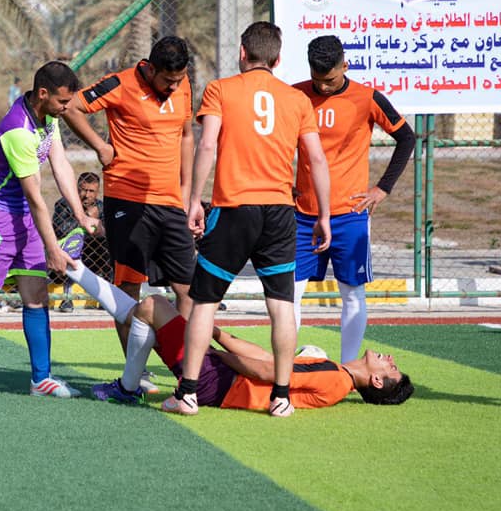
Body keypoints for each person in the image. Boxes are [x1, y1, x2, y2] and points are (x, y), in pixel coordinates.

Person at [165, 21, 332, 418]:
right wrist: (324, 215)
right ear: (277, 58)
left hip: (233, 209)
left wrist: (194, 200)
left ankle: (188, 394)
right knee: (281, 305)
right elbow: (316, 158)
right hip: (279, 213)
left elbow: (207, 144)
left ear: (242, 52)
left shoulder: (220, 89)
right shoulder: (297, 99)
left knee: (204, 303)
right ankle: (282, 397)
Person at [0, 61, 99, 401]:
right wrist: (53, 248)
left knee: (36, 295)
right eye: (62, 101)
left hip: (23, 215)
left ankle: (41, 380)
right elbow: (35, 197)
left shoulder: (48, 118)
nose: (67, 108)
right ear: (43, 94)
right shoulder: (18, 129)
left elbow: (61, 164)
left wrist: (80, 214)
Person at [61, 263, 413, 410]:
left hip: (219, 381)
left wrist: (214, 355)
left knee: (153, 306)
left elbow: (269, 371)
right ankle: (74, 267)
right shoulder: (335, 373)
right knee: (151, 310)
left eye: (392, 368)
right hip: (222, 379)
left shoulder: (334, 378)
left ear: (377, 381)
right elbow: (267, 357)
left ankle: (126, 388)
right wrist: (214, 333)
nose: (390, 359)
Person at [62, 36, 197, 392]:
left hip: (171, 203)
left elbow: (186, 135)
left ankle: (185, 367)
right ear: (150, 69)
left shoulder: (184, 85)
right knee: (128, 288)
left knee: (188, 289)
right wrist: (100, 146)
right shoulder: (119, 84)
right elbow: (72, 107)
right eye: (168, 80)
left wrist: (186, 191)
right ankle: (135, 375)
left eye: (179, 79)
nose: (174, 86)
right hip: (128, 201)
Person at [292, 35, 416, 363]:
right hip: (303, 215)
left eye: (330, 80)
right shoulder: (294, 96)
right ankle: (285, 369)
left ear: (345, 66)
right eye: (317, 80)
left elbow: (407, 138)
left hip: (349, 215)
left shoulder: (367, 98)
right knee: (290, 292)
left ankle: (348, 368)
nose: (324, 87)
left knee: (351, 293)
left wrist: (382, 188)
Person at [52, 172, 110, 311]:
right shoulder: (64, 204)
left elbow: (108, 231)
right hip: (67, 253)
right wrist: (85, 218)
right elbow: (60, 230)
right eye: (83, 190)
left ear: (97, 192)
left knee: (109, 247)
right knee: (74, 244)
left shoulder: (100, 207)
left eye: (91, 191)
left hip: (94, 253)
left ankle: (107, 299)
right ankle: (67, 298)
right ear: (76, 189)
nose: (87, 195)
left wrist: (99, 224)